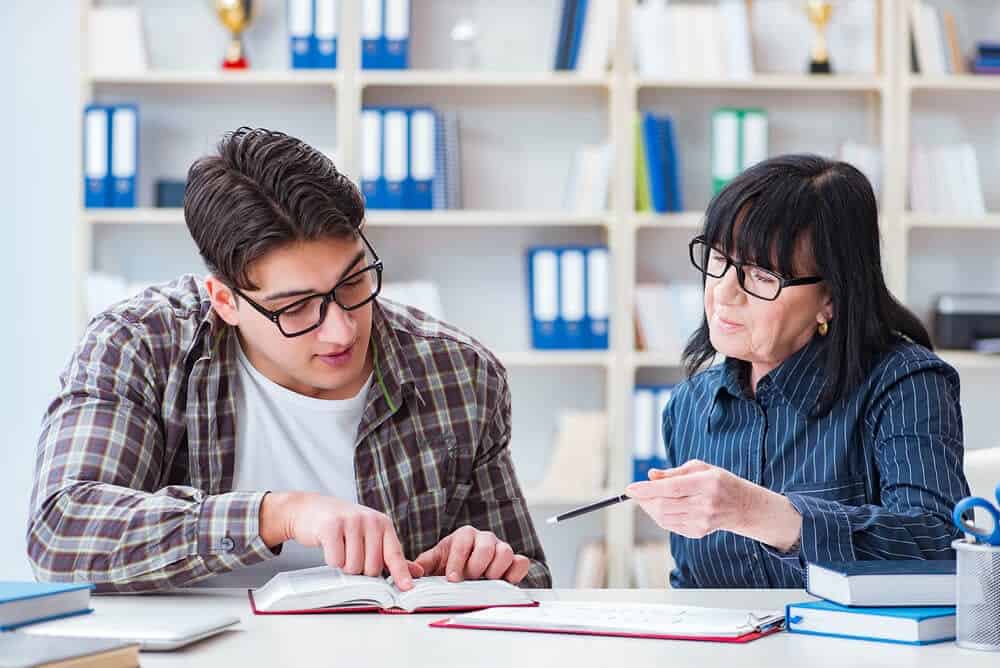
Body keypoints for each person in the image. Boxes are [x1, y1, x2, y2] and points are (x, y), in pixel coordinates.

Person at [27, 127, 550, 592]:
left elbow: (533, 583)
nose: (340, 328)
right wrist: (277, 513)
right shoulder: (140, 345)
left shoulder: (459, 373)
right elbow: (61, 534)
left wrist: (476, 571)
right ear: (225, 300)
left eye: (353, 282)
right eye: (296, 307)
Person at [626, 154, 970, 588]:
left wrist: (758, 513)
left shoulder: (905, 383)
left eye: (762, 276)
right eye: (718, 260)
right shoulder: (690, 405)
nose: (724, 294)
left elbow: (939, 544)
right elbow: (694, 585)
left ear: (831, 297)